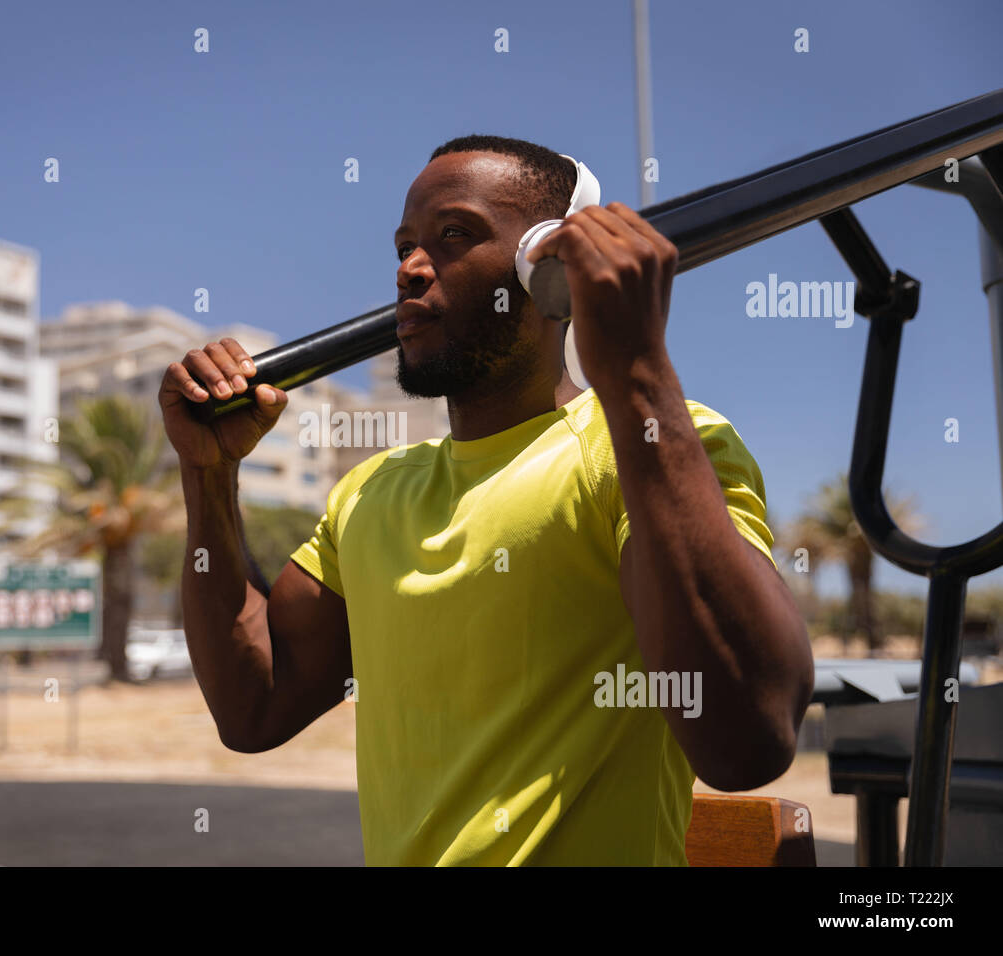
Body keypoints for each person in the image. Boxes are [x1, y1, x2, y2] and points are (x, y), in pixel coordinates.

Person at [159, 135, 814, 866]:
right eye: (404, 245)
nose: (409, 269)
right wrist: (208, 476)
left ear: (551, 271)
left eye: (452, 237)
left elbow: (748, 741)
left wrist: (637, 371)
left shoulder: (646, 447)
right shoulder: (372, 492)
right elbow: (254, 707)